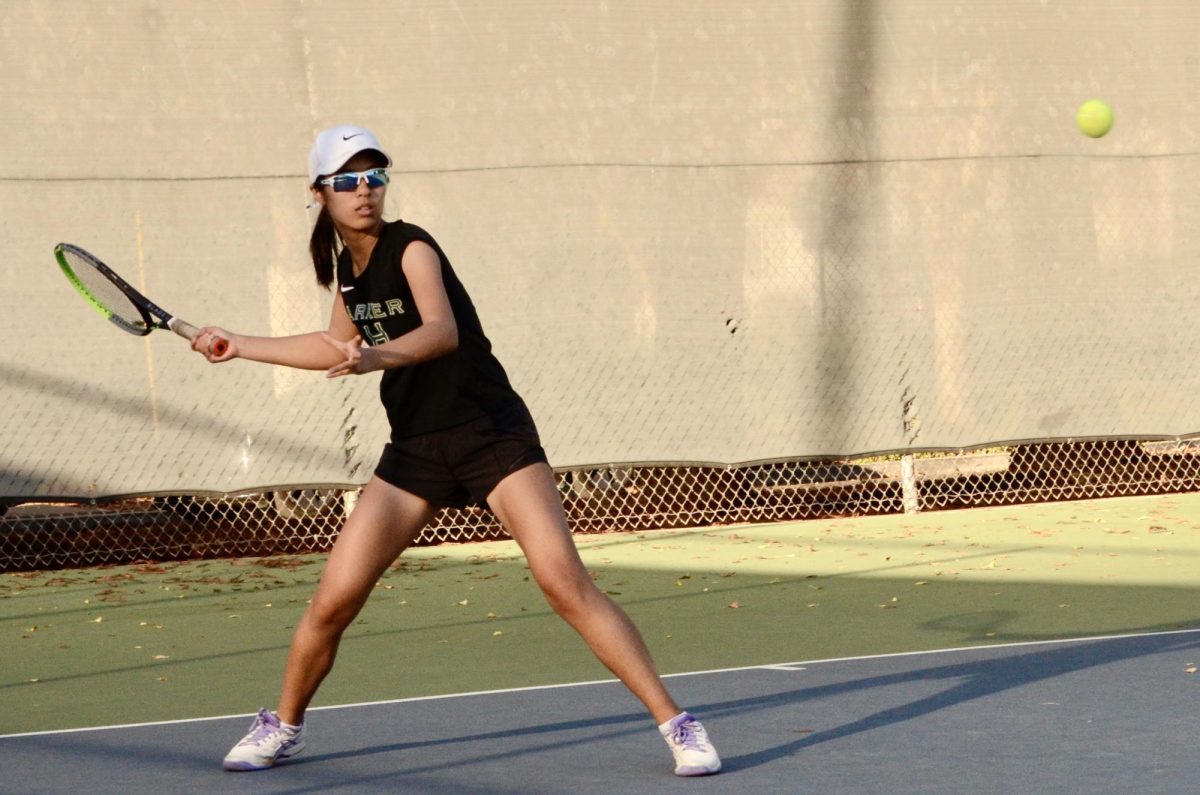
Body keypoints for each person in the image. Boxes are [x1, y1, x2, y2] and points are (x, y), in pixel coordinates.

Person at [195, 125, 721, 777]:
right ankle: (284, 725)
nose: (364, 191)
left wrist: (377, 356)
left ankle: (678, 723)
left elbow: (440, 331)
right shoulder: (349, 275)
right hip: (414, 449)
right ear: (320, 194)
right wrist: (238, 343)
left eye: (374, 176)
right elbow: (334, 345)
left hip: (490, 432)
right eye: (348, 180)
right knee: (333, 599)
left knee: (564, 581)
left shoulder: (412, 246)